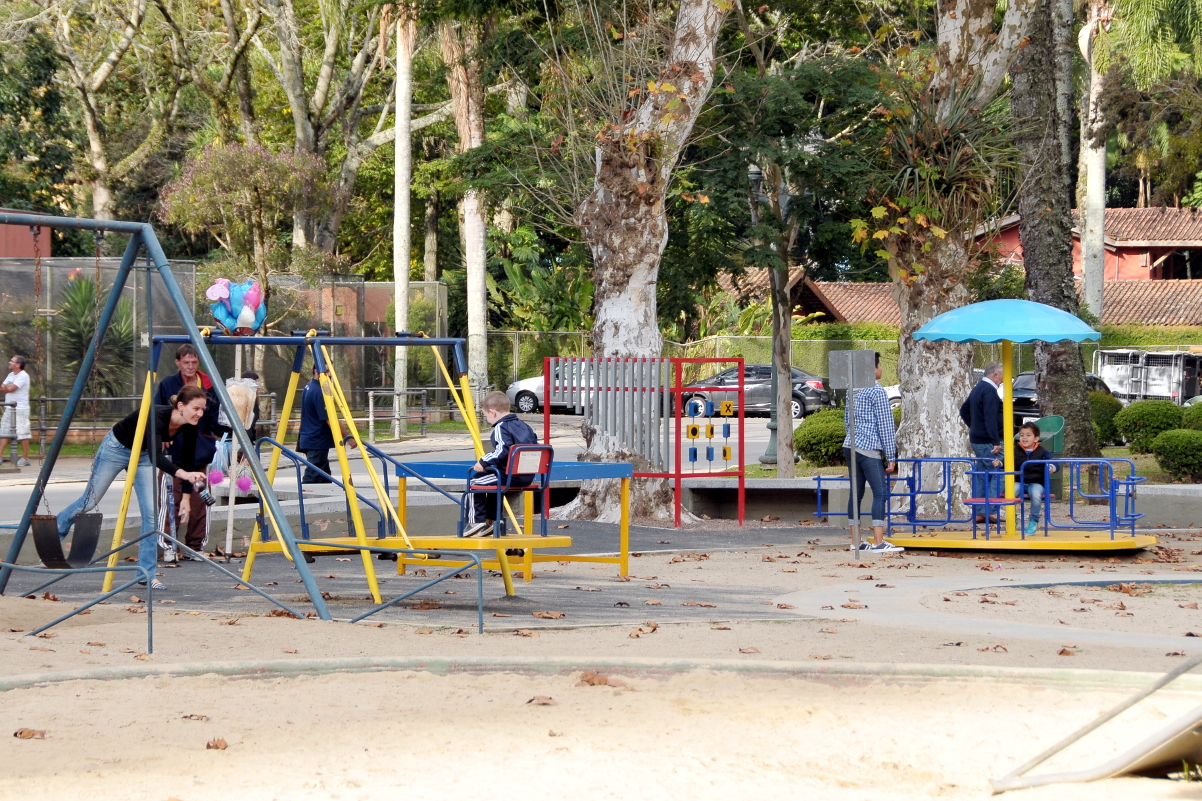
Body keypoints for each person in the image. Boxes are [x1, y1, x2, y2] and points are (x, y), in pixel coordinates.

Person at [55, 385, 210, 590]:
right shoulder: (156, 415)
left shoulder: (190, 425)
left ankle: (145, 574)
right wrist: (182, 474)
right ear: (181, 406)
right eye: (196, 409)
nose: (200, 414)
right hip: (117, 448)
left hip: (143, 456)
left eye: (202, 409)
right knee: (89, 501)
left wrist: (187, 498)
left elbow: (189, 460)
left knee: (152, 515)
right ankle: (55, 536)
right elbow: (158, 456)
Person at [154, 344, 222, 558]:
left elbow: (215, 422)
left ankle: (195, 546)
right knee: (170, 498)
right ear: (178, 363)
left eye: (194, 362)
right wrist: (162, 437)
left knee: (199, 499)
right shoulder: (168, 384)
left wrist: (232, 430)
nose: (190, 366)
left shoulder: (209, 386)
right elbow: (157, 413)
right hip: (174, 452)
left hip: (199, 450)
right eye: (186, 362)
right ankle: (167, 545)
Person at [841, 352, 903, 554]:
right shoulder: (876, 391)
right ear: (873, 368)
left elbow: (847, 420)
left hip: (850, 445)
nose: (881, 369)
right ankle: (878, 541)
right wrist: (891, 455)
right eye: (880, 365)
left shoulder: (852, 390)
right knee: (880, 492)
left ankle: (856, 540)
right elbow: (885, 425)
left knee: (855, 493)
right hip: (868, 447)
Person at [463, 391, 538, 537]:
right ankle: (493, 520)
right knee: (491, 485)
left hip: (509, 475)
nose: (488, 419)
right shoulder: (524, 426)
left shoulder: (501, 427)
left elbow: (501, 450)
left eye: (487, 416)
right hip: (527, 475)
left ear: (493, 412)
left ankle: (475, 522)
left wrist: (483, 462)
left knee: (474, 481)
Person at [960, 361, 1005, 523]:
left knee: (982, 474)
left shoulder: (977, 388)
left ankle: (979, 510)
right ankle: (991, 510)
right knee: (999, 472)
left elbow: (964, 410)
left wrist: (975, 426)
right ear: (995, 374)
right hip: (989, 441)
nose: (1002, 381)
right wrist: (995, 441)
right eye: (1001, 377)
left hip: (977, 438)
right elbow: (990, 418)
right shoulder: (990, 391)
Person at [997, 422, 1057, 536]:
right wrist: (999, 463)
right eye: (1022, 435)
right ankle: (1011, 519)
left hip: (1036, 482)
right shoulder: (1015, 450)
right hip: (1019, 481)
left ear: (1036, 438)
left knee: (1036, 495)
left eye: (1028, 435)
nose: (1024, 438)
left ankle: (1034, 520)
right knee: (1011, 492)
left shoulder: (1042, 451)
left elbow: (1054, 462)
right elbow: (1005, 461)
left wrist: (1051, 467)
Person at [298, 366, 335, 483]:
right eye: (327, 371)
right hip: (316, 439)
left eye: (331, 371)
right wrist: (346, 436)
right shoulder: (319, 391)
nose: (329, 375)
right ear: (315, 371)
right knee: (312, 474)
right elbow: (329, 418)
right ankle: (303, 497)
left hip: (312, 436)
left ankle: (328, 493)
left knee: (323, 473)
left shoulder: (309, 386)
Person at [0, 355, 31, 467]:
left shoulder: (23, 376)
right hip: (9, 408)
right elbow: (3, 389)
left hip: (20, 409)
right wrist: (6, 387)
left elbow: (11, 388)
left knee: (22, 433)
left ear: (18, 364)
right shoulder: (10, 375)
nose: (9, 362)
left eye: (12, 361)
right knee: (4, 432)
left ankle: (25, 457)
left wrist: (6, 387)